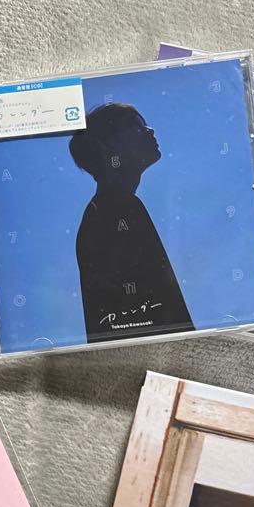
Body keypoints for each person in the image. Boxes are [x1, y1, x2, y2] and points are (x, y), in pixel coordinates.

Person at [69, 102, 194, 343]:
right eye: (136, 127)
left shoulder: (110, 207)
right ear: (110, 145)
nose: (150, 130)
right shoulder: (115, 208)